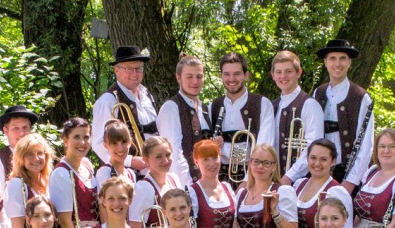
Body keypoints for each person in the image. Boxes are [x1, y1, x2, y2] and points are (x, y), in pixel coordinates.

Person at [311, 38, 374, 192]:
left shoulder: (361, 97)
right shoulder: (317, 93)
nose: (337, 64)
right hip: (318, 170)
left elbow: (366, 145)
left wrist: (351, 182)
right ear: (325, 62)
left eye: (342, 58)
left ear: (349, 62)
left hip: (347, 173)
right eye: (332, 58)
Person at [92, 45, 159, 171]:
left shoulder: (147, 95)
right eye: (129, 69)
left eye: (138, 68)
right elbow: (98, 144)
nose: (135, 73)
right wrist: (129, 161)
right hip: (125, 174)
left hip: (154, 172)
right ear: (116, 70)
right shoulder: (108, 101)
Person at [233, 143, 299, 228]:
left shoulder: (283, 191)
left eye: (266, 163)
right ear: (250, 163)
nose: (260, 166)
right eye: (256, 161)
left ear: (274, 166)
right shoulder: (241, 194)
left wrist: (274, 210)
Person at [262, 49, 324, 185]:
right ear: (273, 75)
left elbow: (313, 147)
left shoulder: (310, 105)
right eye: (278, 72)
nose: (283, 76)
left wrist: (289, 177)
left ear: (298, 72)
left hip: (302, 182)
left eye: (288, 71)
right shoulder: (272, 107)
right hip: (274, 179)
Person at [208, 51, 273, 181]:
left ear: (246, 75)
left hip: (253, 176)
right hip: (219, 178)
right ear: (221, 76)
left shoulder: (262, 104)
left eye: (237, 74)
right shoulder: (213, 106)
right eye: (227, 74)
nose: (231, 79)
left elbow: (265, 147)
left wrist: (248, 180)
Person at [292, 139, 354, 228]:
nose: (317, 163)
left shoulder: (337, 192)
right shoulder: (298, 185)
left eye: (323, 159)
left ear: (333, 161)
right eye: (313, 158)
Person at [188, 139, 241, 228]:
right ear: (196, 162)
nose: (212, 163)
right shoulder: (193, 191)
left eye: (214, 157)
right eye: (205, 159)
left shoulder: (227, 188)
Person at [156, 53, 211, 184]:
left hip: (205, 184)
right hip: (184, 184)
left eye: (199, 76)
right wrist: (188, 186)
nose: (195, 81)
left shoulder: (204, 108)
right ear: (178, 78)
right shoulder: (171, 108)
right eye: (189, 76)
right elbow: (173, 153)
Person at [49, 117, 98, 228]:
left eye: (86, 137)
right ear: (65, 140)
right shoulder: (61, 173)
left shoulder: (87, 164)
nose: (82, 142)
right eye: (76, 137)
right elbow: (64, 221)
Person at [4, 132, 54, 228]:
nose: (36, 158)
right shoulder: (17, 185)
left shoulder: (49, 182)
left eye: (40, 153)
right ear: (21, 159)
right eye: (30, 154)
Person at [129, 136, 183, 228]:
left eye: (168, 155)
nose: (165, 160)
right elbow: (135, 227)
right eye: (158, 157)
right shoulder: (143, 188)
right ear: (146, 159)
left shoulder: (174, 178)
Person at [0, 105, 39, 184]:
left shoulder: (40, 157)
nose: (21, 133)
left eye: (25, 127)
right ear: (6, 131)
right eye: (15, 128)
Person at [94, 120, 138, 192]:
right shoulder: (105, 172)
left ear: (130, 142)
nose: (120, 148)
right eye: (114, 143)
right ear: (106, 145)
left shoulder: (131, 174)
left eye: (124, 142)